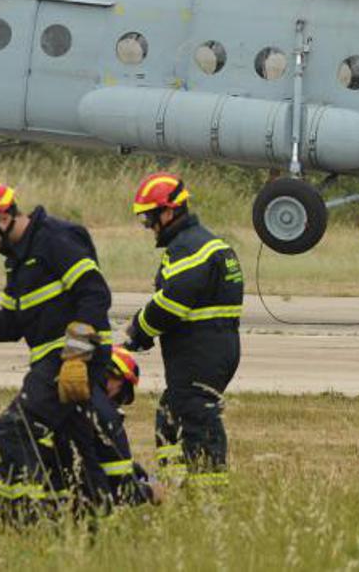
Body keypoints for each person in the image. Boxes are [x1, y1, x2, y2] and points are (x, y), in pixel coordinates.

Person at [0, 178, 144, 521]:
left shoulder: (56, 239)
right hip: (57, 362)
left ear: (3, 219)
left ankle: (26, 516)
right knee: (76, 439)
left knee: (14, 428)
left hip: (72, 359)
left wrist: (76, 356)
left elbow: (94, 294)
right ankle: (93, 517)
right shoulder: (19, 264)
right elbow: (12, 322)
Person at [125, 172, 243, 489]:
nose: (148, 226)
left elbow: (170, 304)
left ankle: (208, 495)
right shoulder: (206, 244)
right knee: (170, 414)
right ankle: (173, 484)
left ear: (169, 211)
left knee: (197, 419)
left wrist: (138, 329)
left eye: (149, 217)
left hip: (199, 353)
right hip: (213, 348)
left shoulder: (188, 249)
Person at [46, 344, 161, 510]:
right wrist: (150, 492)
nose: (118, 396)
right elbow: (119, 487)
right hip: (77, 505)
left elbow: (97, 453)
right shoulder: (104, 412)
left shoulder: (62, 393)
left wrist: (134, 469)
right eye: (123, 388)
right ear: (115, 378)